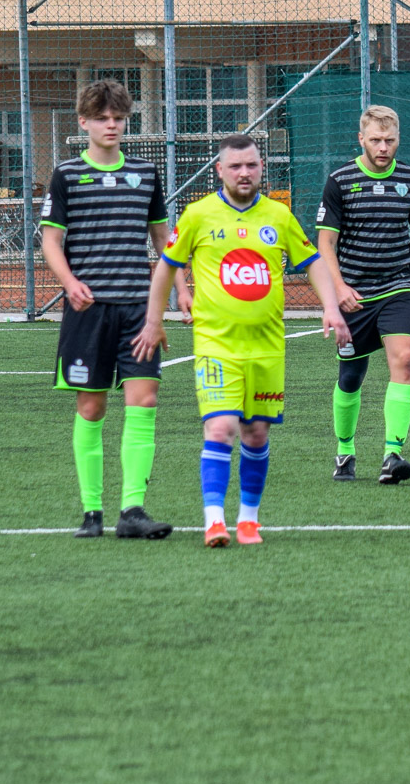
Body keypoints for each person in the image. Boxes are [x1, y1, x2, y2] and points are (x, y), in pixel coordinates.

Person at [132, 134, 353, 547]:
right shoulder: (198, 215)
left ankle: (248, 520)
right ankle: (214, 521)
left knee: (256, 435)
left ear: (261, 167)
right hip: (216, 346)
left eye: (251, 165)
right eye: (235, 166)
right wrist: (153, 320)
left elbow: (312, 262)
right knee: (220, 429)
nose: (244, 173)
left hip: (267, 348)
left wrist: (330, 306)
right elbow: (165, 267)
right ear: (220, 171)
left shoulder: (278, 216)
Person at [39, 80, 173, 540]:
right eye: (101, 118)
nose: (111, 125)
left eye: (118, 118)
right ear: (84, 122)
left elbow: (164, 239)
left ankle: (132, 510)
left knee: (145, 401)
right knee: (92, 408)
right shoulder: (66, 175)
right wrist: (69, 282)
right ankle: (91, 512)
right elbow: (51, 241)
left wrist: (183, 288)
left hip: (138, 309)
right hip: (89, 312)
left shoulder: (145, 173)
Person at [317, 106, 410, 484]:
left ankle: (392, 454)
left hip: (398, 287)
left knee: (404, 359)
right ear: (362, 139)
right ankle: (345, 450)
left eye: (389, 140)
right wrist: (339, 287)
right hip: (353, 294)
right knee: (351, 377)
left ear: (398, 139)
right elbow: (325, 243)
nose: (383, 147)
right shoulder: (340, 181)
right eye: (375, 140)